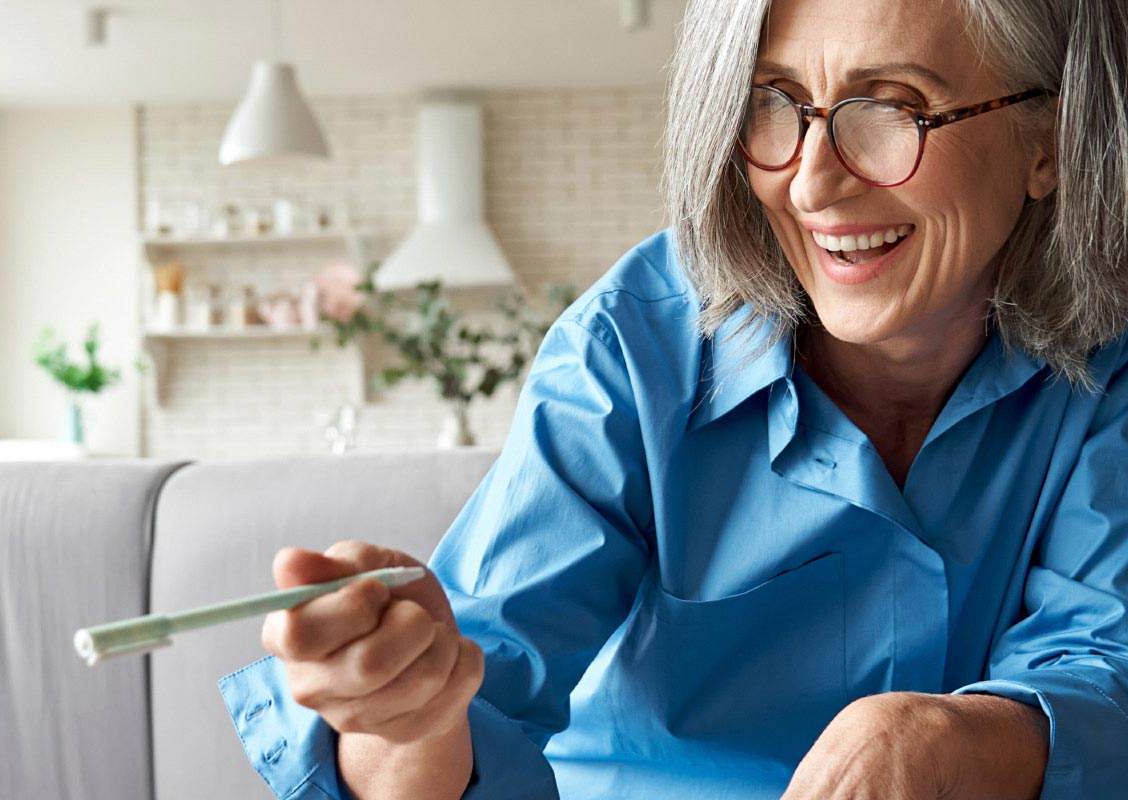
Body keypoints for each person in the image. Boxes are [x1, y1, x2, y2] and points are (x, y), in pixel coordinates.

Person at [219, 0, 1128, 797]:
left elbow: (1104, 668)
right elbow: (470, 710)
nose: (811, 182)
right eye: (772, 105)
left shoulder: (1108, 362)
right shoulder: (630, 350)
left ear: (1046, 142)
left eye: (891, 109)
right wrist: (406, 714)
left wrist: (954, 739)